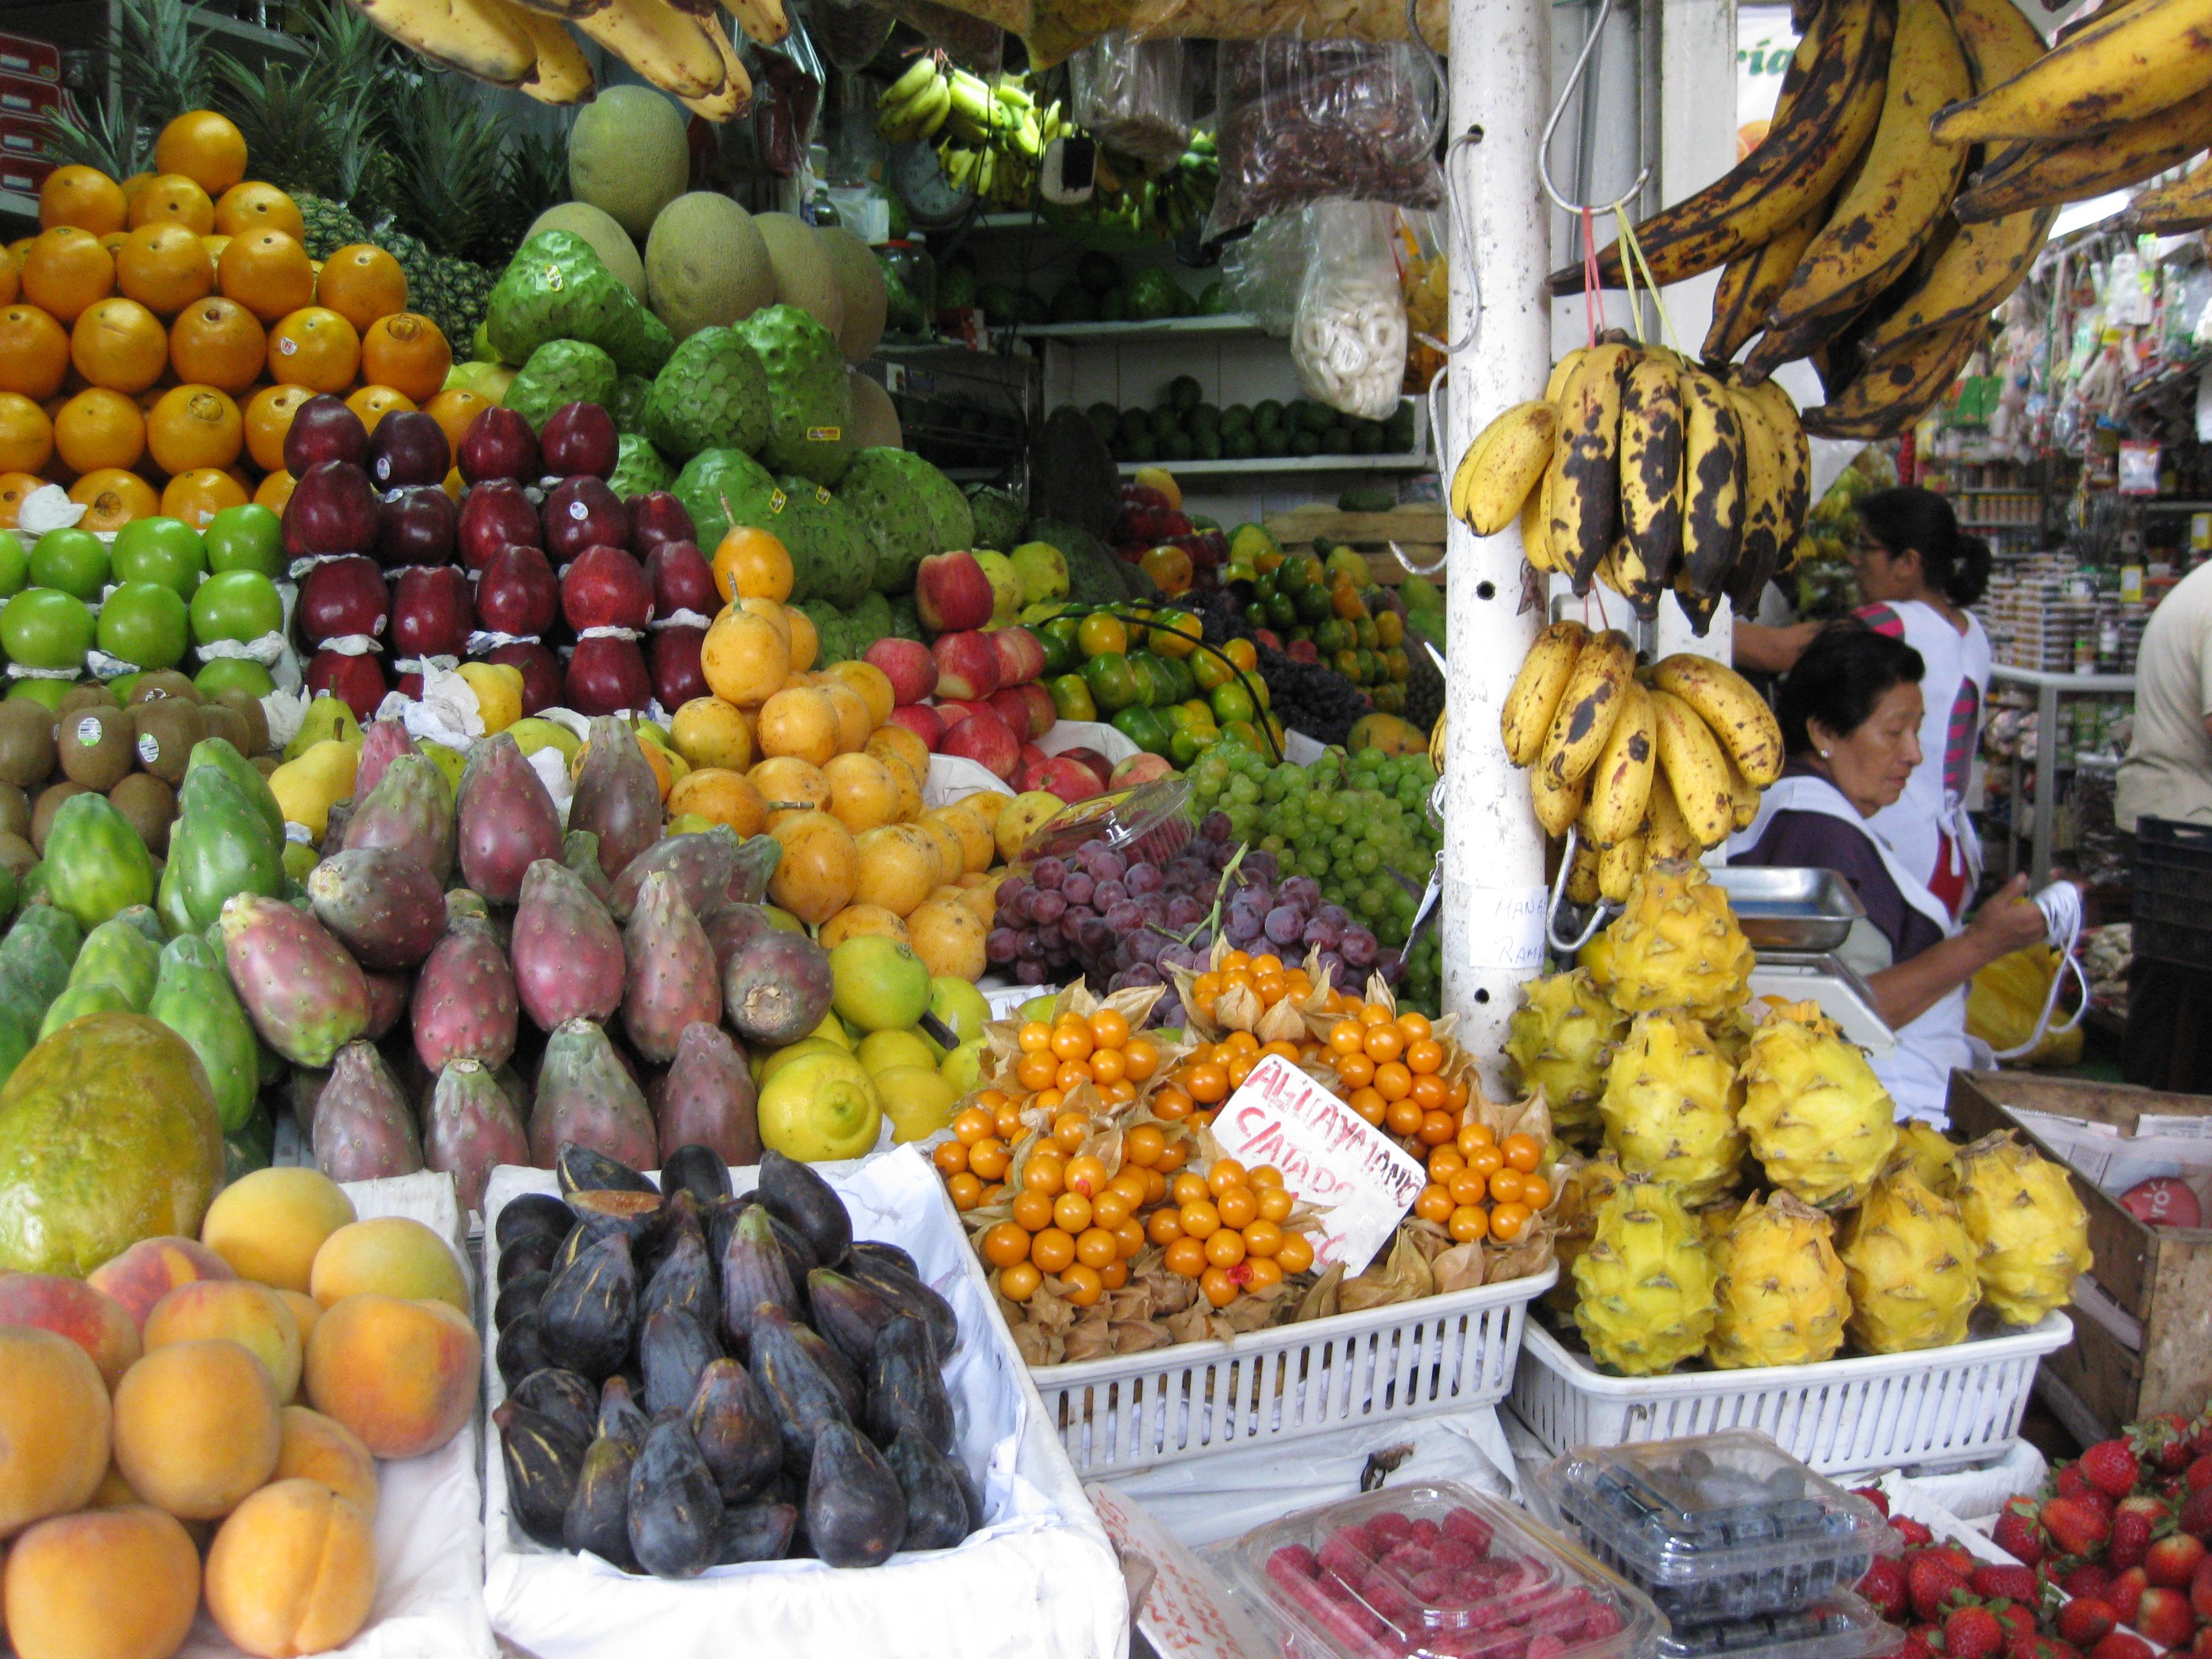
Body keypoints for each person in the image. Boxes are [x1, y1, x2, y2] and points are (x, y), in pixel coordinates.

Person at [1731, 624, 2049, 1125]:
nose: (1914, 754)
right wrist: (1983, 943)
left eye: (1916, 730)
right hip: (1869, 1108)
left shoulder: (1795, 803)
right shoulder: (1820, 833)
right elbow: (1845, 1012)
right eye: (1894, 731)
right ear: (1825, 733)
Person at [1735, 487, 1994, 914]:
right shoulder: (1971, 631)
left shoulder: (1893, 621)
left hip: (1900, 841)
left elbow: (1774, 651)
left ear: (1908, 564)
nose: (1854, 560)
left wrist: (1681, 624)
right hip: (1951, 849)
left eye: (1866, 548)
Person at [2115, 557, 2212, 1091]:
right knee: (2181, 1005)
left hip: (2177, 822)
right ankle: (2156, 1134)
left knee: (2172, 998)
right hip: (2189, 830)